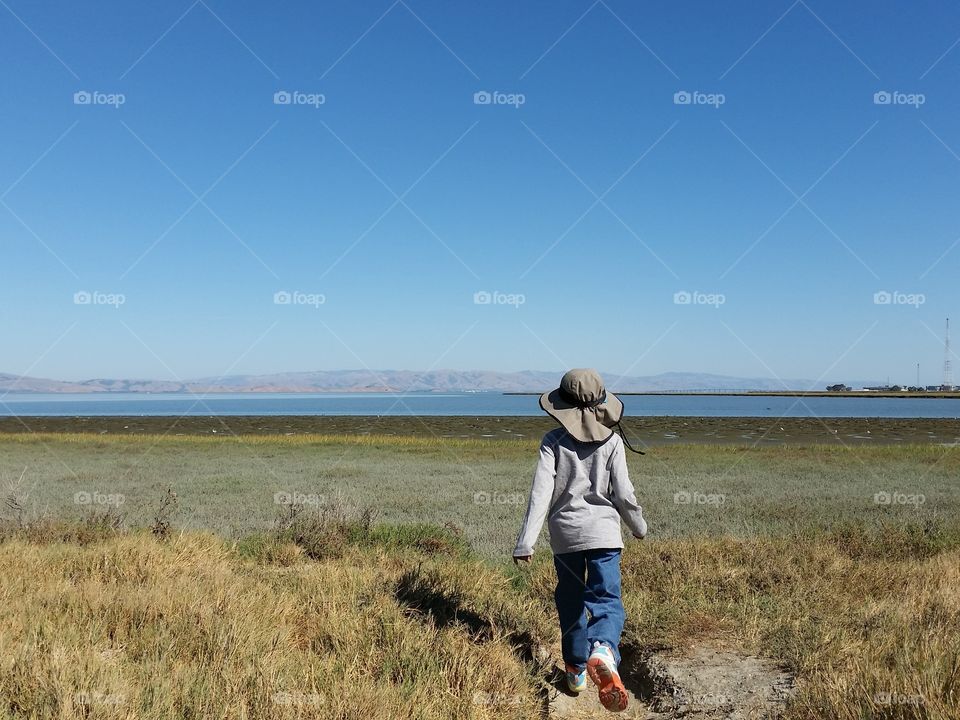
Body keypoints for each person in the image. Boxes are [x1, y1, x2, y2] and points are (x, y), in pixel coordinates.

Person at [513, 368, 647, 713]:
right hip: (605, 535)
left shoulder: (552, 442)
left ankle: (575, 671)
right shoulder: (613, 442)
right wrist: (638, 525)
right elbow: (624, 493)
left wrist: (525, 542)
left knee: (570, 601)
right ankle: (602, 648)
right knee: (606, 598)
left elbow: (539, 495)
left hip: (565, 538)